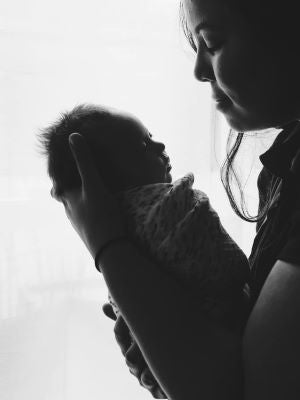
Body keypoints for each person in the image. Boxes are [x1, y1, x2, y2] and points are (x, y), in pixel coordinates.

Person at [52, 0, 300, 398]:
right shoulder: (283, 164)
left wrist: (108, 246)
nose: (200, 70)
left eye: (212, 42)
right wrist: (170, 357)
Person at [41, 103, 250, 331]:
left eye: (151, 137)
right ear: (106, 179)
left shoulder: (111, 227)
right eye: (143, 146)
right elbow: (232, 267)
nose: (160, 145)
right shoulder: (169, 207)